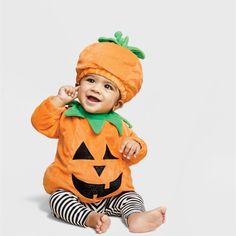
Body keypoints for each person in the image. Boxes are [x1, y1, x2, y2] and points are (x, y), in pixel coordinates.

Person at [31, 31, 166, 234]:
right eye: (90, 81)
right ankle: (89, 218)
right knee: (57, 201)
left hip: (112, 194)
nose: (96, 89)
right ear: (78, 85)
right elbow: (40, 122)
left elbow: (137, 148)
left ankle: (135, 217)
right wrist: (58, 101)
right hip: (72, 191)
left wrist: (135, 146)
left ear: (118, 103)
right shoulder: (68, 117)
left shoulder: (119, 126)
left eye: (108, 86)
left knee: (131, 197)